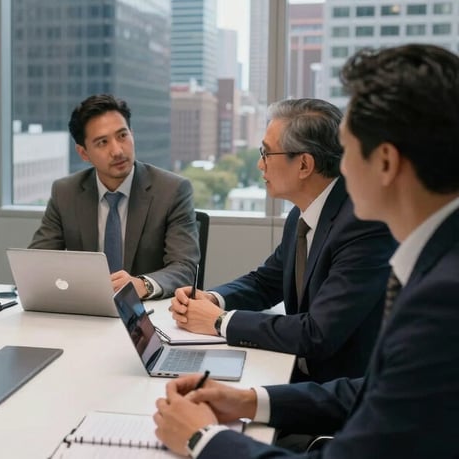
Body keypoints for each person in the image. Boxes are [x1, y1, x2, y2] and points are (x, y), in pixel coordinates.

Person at [154, 44, 459, 458]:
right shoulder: (436, 262)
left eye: (348, 151)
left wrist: (201, 439)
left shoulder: (442, 298)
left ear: (385, 162)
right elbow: (374, 389)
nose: (341, 166)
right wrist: (249, 400)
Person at [169, 98, 396, 383]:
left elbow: (317, 333)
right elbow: (267, 282)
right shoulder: (303, 214)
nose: (259, 164)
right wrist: (213, 298)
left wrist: (218, 321)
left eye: (266, 153)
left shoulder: (363, 224)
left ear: (303, 164)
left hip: (339, 395)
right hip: (296, 373)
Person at [29, 94, 199, 299]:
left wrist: (143, 284)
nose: (117, 151)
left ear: (132, 134)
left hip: (146, 315)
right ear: (83, 153)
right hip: (86, 311)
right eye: (102, 142)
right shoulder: (66, 192)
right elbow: (37, 263)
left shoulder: (172, 190)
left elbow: (184, 268)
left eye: (122, 136)